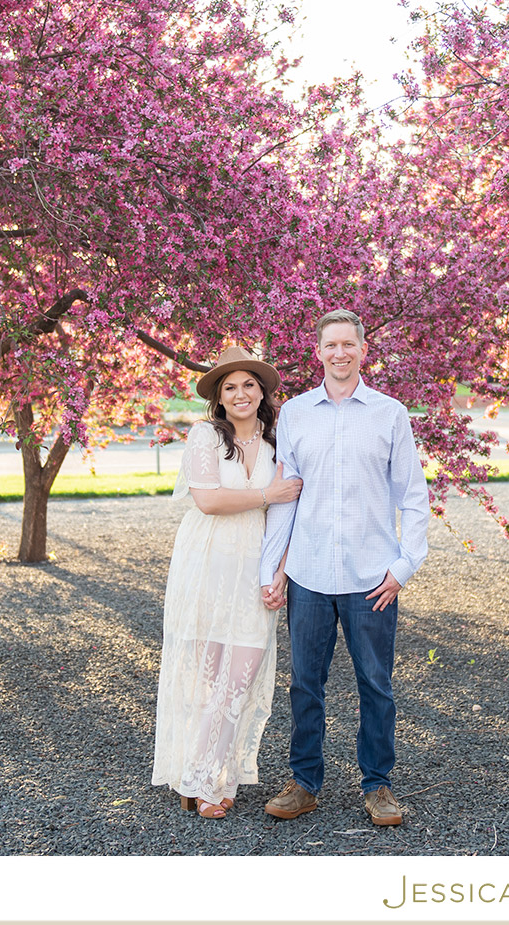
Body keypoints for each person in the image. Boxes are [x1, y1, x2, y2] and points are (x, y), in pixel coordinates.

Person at [258, 309, 429, 827]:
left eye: (348, 344)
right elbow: (286, 497)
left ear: (362, 350)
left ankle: (378, 785)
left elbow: (413, 496)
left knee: (375, 684)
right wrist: (273, 568)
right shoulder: (294, 414)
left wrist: (404, 565)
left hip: (372, 577)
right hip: (308, 572)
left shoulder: (389, 414)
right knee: (304, 684)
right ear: (318, 351)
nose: (339, 353)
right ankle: (304, 782)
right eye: (330, 344)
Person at [152, 346, 302, 819]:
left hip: (255, 566)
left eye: (249, 385)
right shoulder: (206, 436)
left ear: (262, 392)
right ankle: (203, 780)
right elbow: (209, 501)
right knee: (208, 678)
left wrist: (280, 575)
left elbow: (290, 516)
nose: (240, 394)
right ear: (219, 397)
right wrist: (267, 493)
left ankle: (216, 773)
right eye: (230, 387)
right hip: (208, 564)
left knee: (241, 677)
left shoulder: (279, 444)